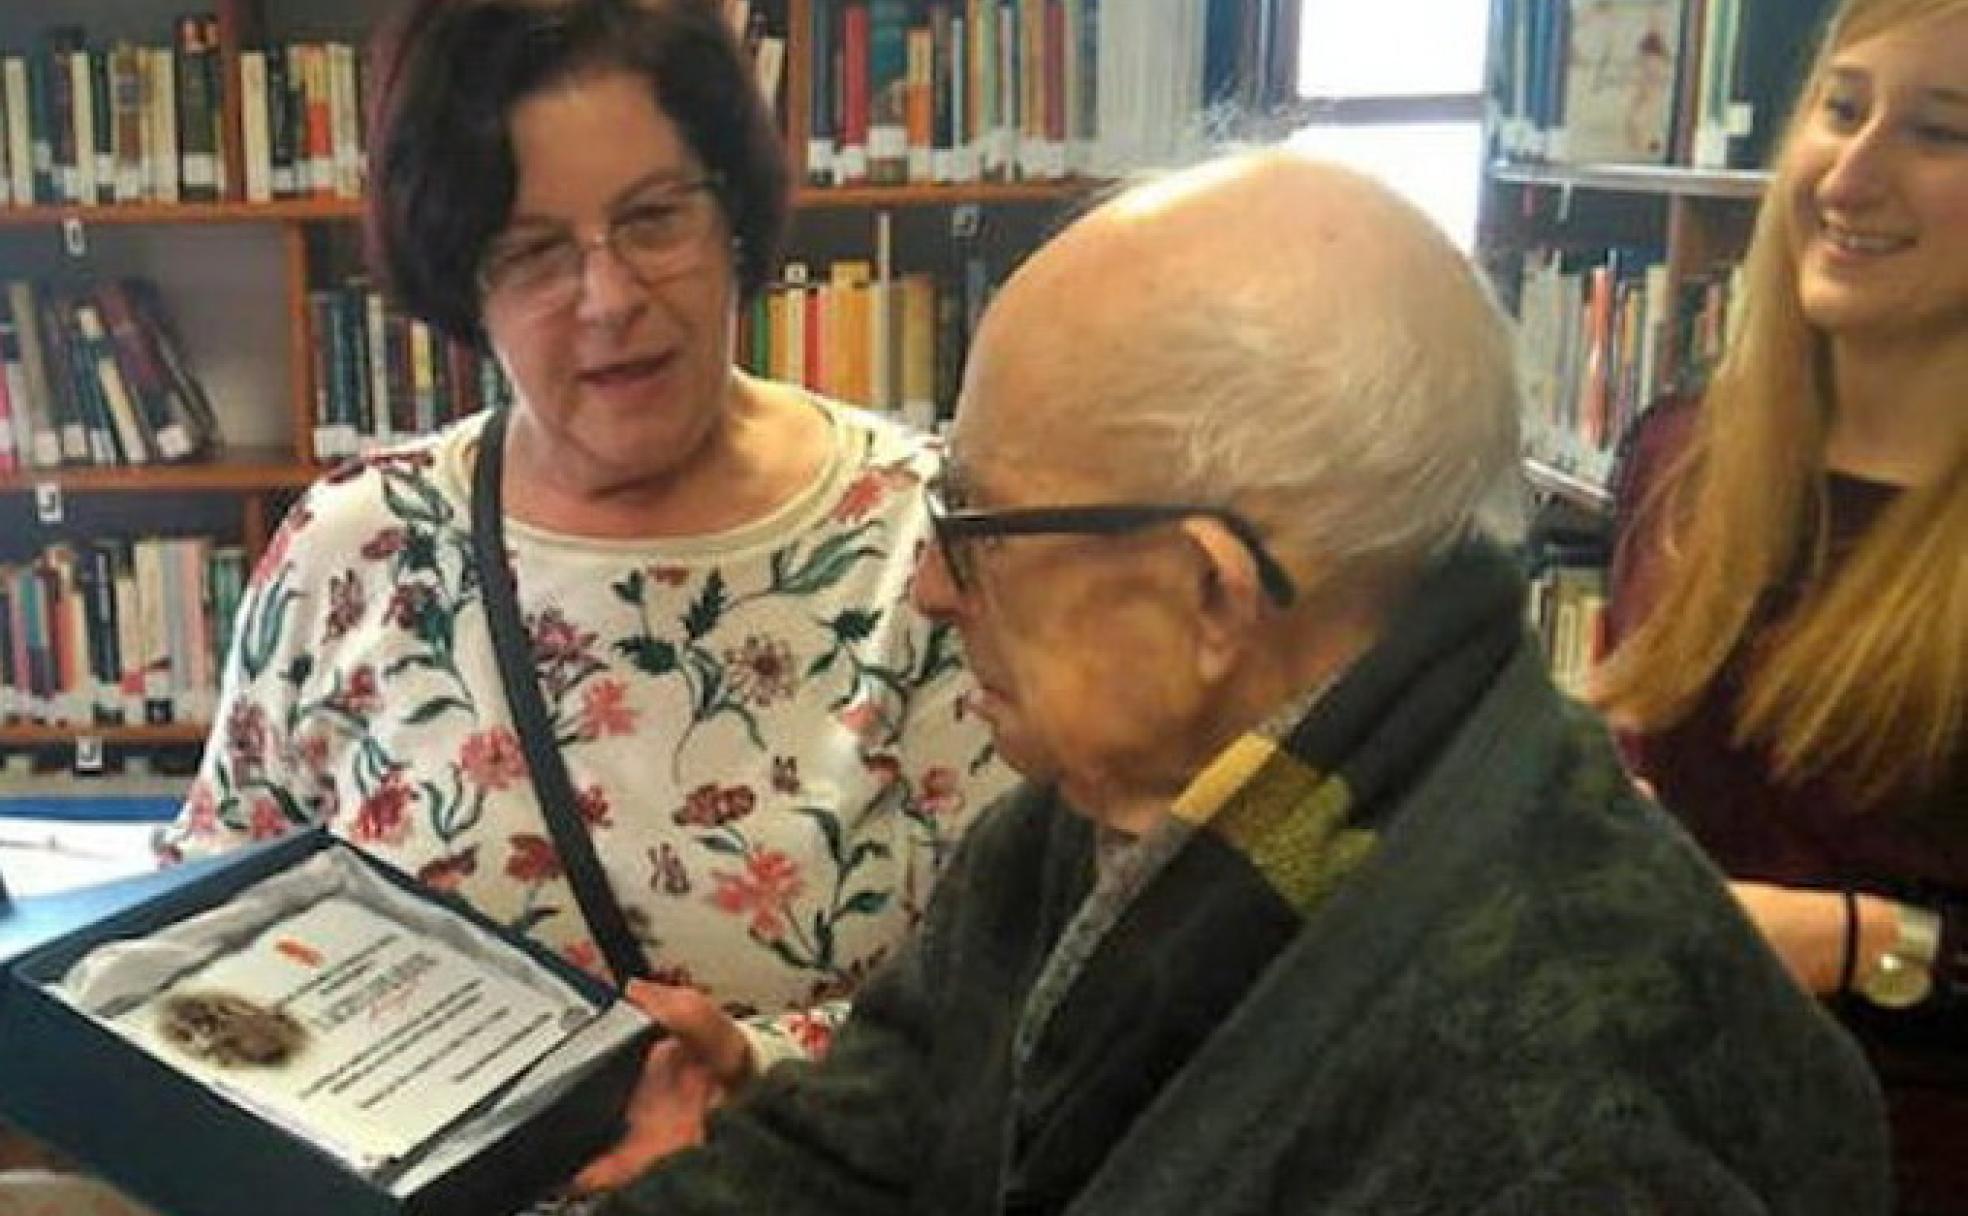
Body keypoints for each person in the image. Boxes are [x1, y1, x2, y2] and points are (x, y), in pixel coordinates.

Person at [579, 151, 1891, 1215]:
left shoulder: (1557, 1115)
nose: (929, 586)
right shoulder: (1105, 825)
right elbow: (844, 1161)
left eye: (976, 525)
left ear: (1207, 597)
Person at [155, 0, 1010, 1073]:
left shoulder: (927, 539)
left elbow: (1023, 994)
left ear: (732, 217)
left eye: (654, 219)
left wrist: (751, 1073)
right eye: (534, 252)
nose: (608, 298)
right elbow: (202, 948)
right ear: (463, 281)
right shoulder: (351, 550)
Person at [1595, 0, 1968, 1210]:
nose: (1852, 174)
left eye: (1941, 131)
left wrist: (1856, 942)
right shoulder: (1678, 459)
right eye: (1842, 109)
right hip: (1651, 1143)